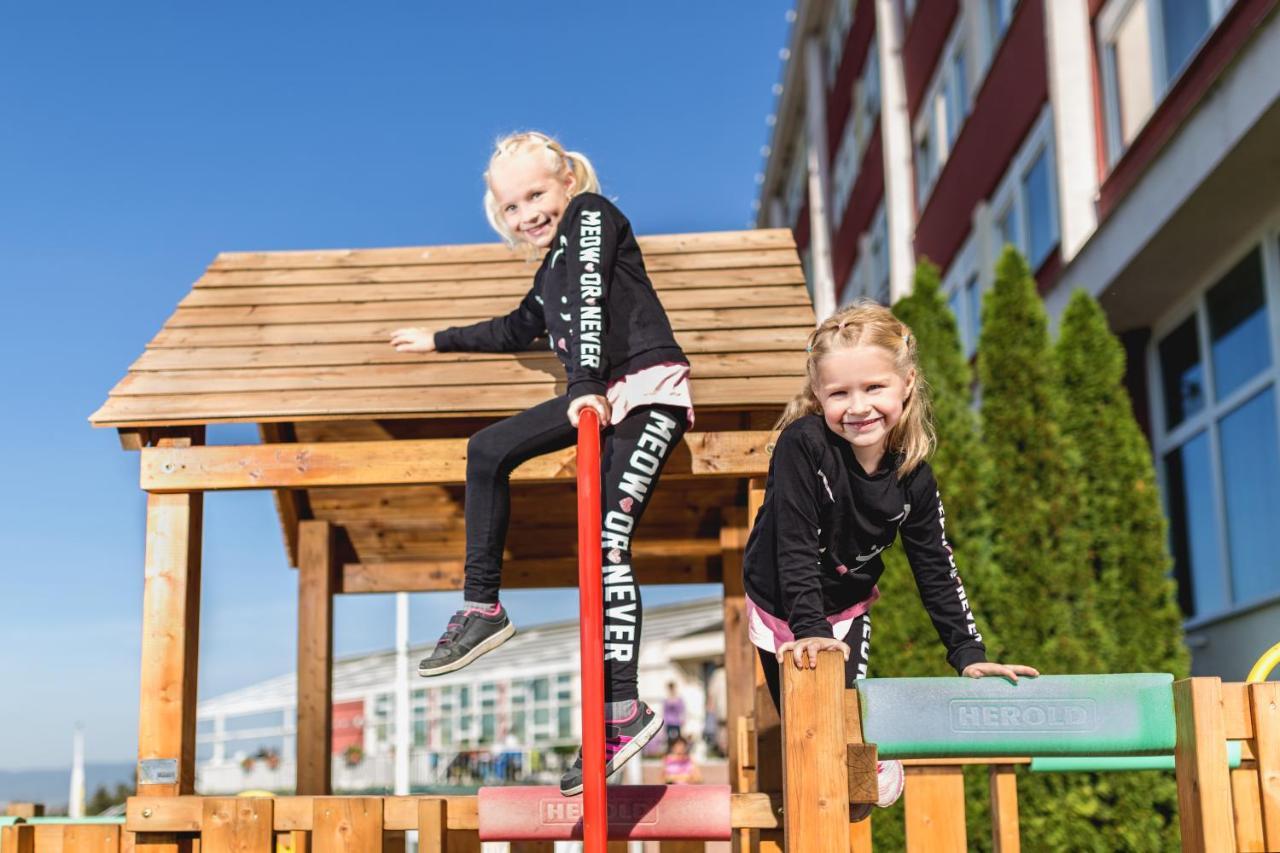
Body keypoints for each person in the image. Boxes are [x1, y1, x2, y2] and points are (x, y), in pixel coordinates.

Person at [389, 131, 694, 796]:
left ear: (567, 183)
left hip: (641, 391)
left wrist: (583, 379)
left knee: (607, 539)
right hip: (595, 394)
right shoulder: (545, 270)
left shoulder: (592, 217)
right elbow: (513, 327)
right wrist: (437, 339)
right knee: (487, 449)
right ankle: (482, 608)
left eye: (536, 194)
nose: (527, 212)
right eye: (511, 206)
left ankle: (622, 710)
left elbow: (591, 292)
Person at [742, 301, 1038, 818]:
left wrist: (967, 653)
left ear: (906, 384)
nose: (858, 406)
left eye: (874, 388)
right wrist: (807, 628)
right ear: (818, 395)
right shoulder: (804, 446)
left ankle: (856, 782)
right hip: (779, 602)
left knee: (846, 723)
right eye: (839, 393)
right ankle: (818, 799)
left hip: (846, 606)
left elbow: (935, 566)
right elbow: (791, 540)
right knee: (806, 721)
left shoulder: (913, 475)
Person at [661, 681, 685, 746]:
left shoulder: (679, 699)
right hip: (669, 722)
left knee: (678, 739)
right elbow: (664, 711)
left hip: (677, 722)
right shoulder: (666, 699)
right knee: (669, 740)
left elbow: (682, 710)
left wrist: (683, 720)